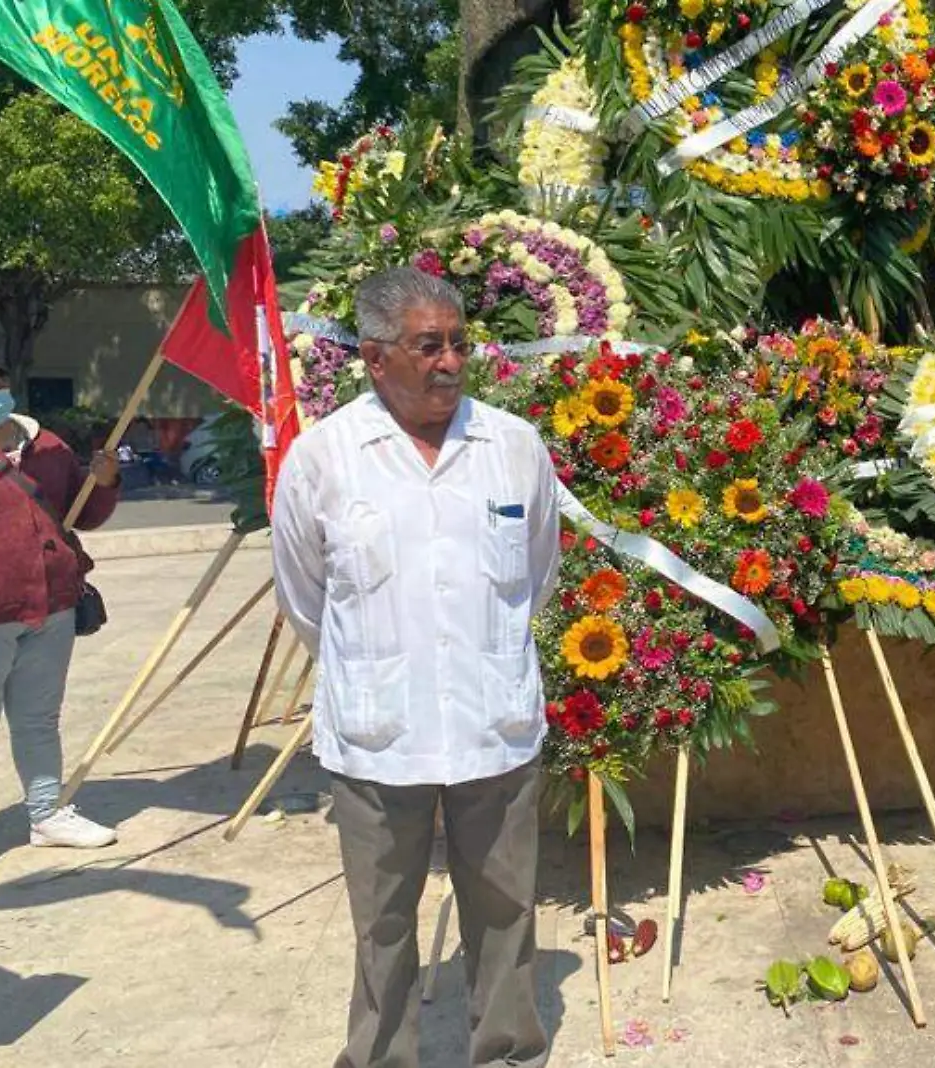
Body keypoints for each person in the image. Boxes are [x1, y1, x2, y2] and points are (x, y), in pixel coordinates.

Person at [271, 267, 560, 1068]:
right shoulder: (325, 458)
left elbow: (539, 576)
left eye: (459, 343)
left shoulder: (513, 448)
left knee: (505, 908)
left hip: (492, 725)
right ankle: (382, 1058)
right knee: (382, 921)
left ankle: (506, 1050)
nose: (450, 362)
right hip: (377, 734)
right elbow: (305, 597)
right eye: (427, 346)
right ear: (374, 357)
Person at [0, 347, 122, 849]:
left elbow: (82, 512)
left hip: (53, 610)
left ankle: (47, 815)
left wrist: (103, 484)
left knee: (39, 719)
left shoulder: (49, 447)